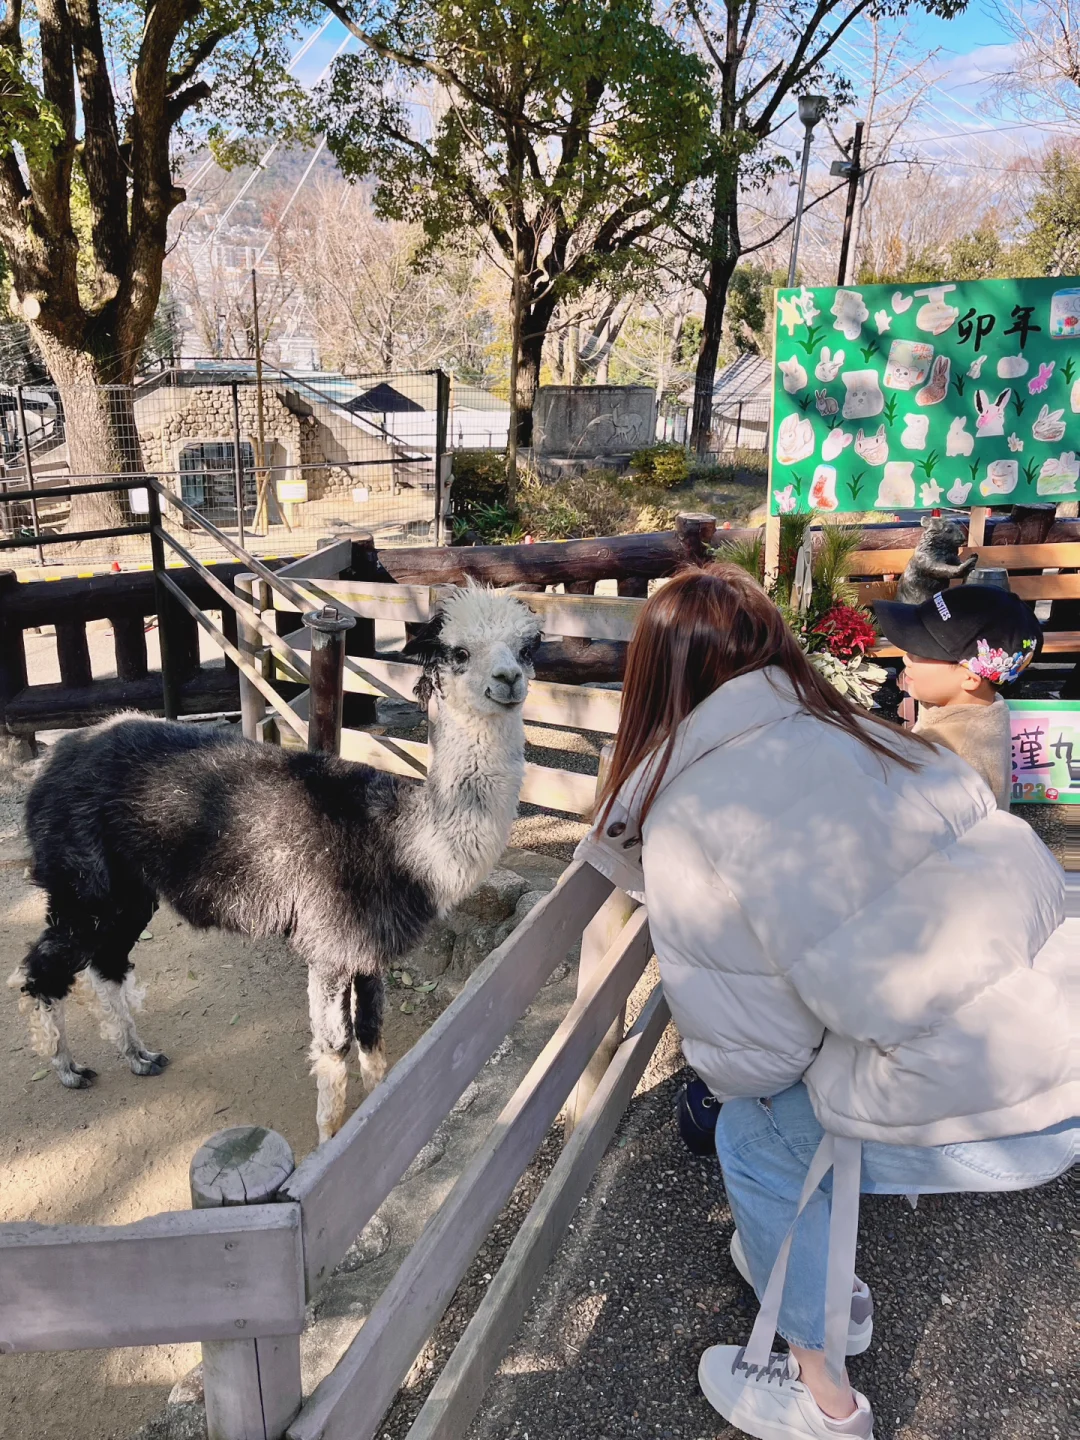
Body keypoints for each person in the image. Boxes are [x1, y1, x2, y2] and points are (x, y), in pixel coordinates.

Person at [575, 563, 1076, 1440]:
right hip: (1055, 1026)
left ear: (655, 676)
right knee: (807, 1106)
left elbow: (753, 1057)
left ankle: (822, 1397)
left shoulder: (690, 808)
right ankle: (828, 1287)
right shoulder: (865, 729)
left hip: (1004, 1099)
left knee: (756, 1131)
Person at [873, 584, 1042, 809]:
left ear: (971, 679)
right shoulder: (981, 709)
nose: (906, 658)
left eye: (920, 650)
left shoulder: (955, 759)